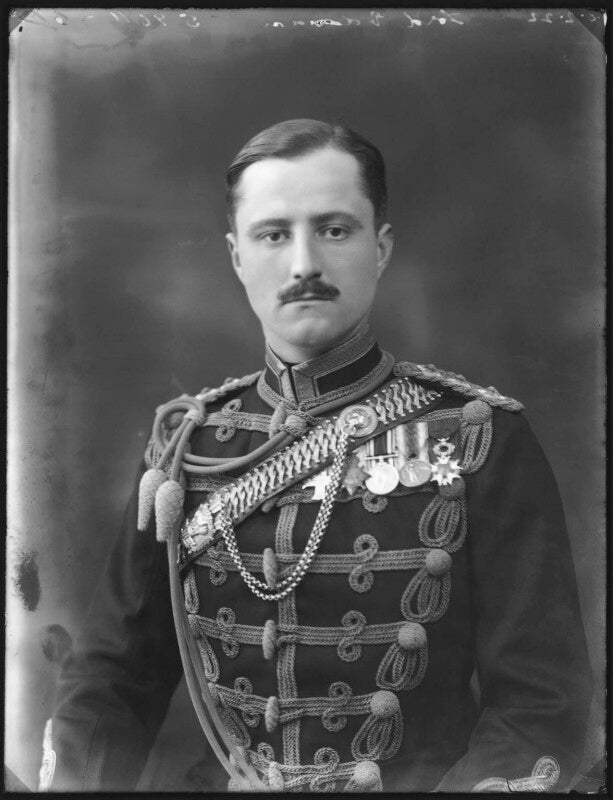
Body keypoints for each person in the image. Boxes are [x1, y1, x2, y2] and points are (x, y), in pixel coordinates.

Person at [41, 119, 592, 792]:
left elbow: (539, 710)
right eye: (273, 235)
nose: (304, 264)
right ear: (237, 257)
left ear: (380, 248)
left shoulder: (477, 436)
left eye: (333, 230)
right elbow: (110, 684)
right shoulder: (186, 450)